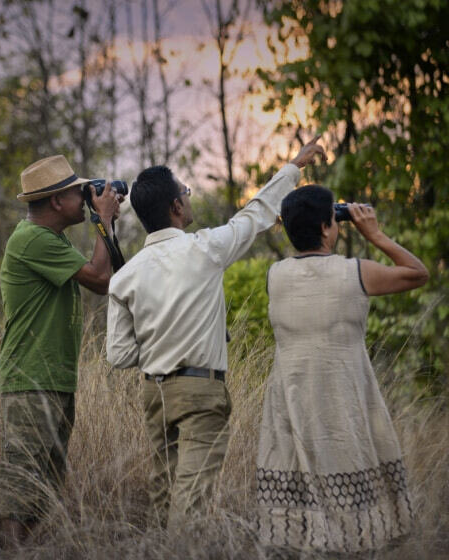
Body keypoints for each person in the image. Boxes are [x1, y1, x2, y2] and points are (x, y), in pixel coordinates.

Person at [105, 138, 326, 527]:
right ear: (176, 206)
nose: (188, 198)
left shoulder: (125, 276)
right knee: (190, 500)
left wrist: (162, 346)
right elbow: (255, 214)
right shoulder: (205, 249)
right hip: (200, 391)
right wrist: (294, 166)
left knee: (164, 493)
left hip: (153, 393)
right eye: (185, 193)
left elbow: (118, 355)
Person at [255, 185, 429, 554]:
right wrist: (374, 233)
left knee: (298, 497)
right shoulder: (356, 273)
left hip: (291, 397)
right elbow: (417, 273)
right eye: (334, 220)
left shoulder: (276, 275)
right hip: (343, 395)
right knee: (351, 487)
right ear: (326, 227)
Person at [0, 154, 121, 546]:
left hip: (51, 379)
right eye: (77, 192)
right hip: (31, 379)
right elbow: (101, 280)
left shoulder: (52, 239)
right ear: (55, 201)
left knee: (42, 493)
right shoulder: (31, 239)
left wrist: (104, 221)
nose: (85, 198)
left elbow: (103, 276)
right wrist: (105, 220)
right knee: (22, 490)